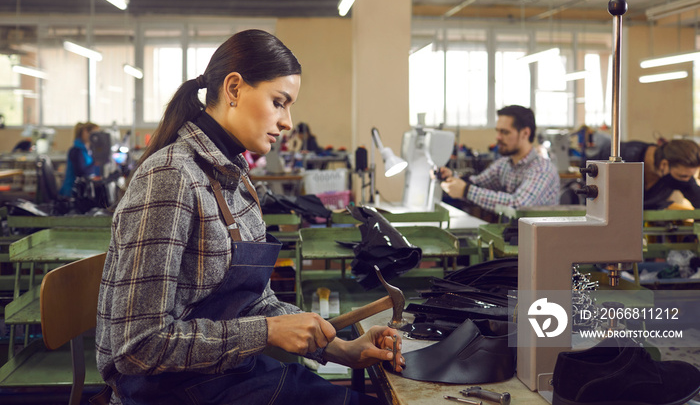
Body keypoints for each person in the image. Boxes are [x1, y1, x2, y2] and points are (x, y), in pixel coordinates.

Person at [95, 29, 403, 405]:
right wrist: (266, 332)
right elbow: (135, 348)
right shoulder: (171, 179)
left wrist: (341, 348)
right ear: (234, 89)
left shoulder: (235, 177)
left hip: (227, 376)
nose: (288, 121)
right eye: (279, 102)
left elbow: (255, 301)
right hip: (174, 393)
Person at [439, 105, 560, 212]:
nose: (498, 137)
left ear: (525, 133)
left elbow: (518, 205)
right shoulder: (504, 164)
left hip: (539, 237)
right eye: (498, 131)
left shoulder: (542, 169)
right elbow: (478, 183)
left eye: (505, 132)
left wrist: (466, 191)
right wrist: (451, 177)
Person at [587, 138, 700, 210]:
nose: (687, 180)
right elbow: (586, 170)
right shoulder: (625, 154)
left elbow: (697, 197)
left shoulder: (681, 175)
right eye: (683, 176)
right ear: (664, 165)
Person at [59, 121, 100, 197]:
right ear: (85, 132)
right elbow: (81, 172)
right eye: (94, 134)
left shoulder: (88, 150)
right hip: (73, 192)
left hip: (84, 189)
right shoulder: (76, 151)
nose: (96, 137)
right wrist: (95, 162)